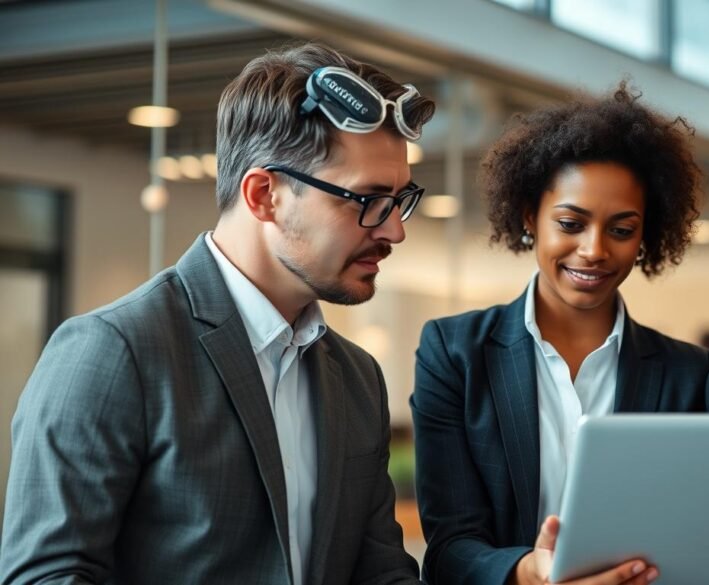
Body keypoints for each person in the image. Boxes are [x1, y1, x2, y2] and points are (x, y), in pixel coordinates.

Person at [0, 42, 434, 585]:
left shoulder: (357, 376)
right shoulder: (114, 351)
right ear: (264, 195)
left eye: (399, 200)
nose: (394, 230)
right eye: (367, 200)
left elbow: (381, 573)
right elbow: (47, 577)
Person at [411, 84, 709, 585]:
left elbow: (695, 531)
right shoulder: (455, 353)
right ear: (529, 217)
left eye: (622, 230)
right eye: (571, 223)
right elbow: (449, 550)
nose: (594, 250)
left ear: (645, 237)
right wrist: (529, 572)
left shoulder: (689, 373)